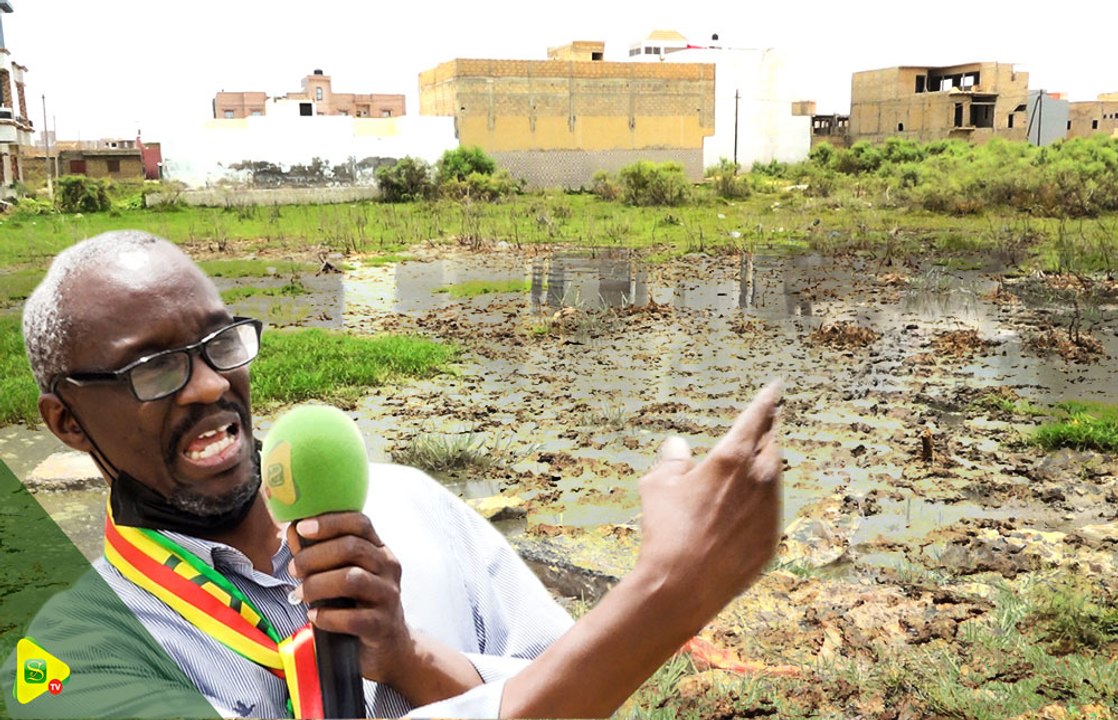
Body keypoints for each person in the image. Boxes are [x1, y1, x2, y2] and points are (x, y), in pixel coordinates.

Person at [6, 230, 782, 718]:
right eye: (156, 369)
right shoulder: (71, 660)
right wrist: (665, 595)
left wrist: (409, 658)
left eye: (220, 344)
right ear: (68, 422)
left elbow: (568, 680)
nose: (210, 384)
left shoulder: (408, 499)